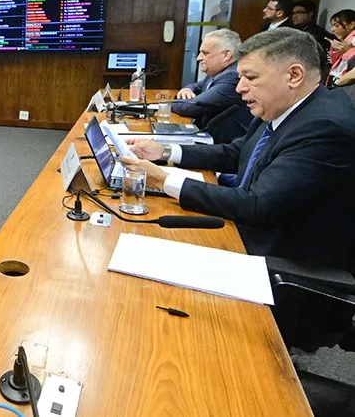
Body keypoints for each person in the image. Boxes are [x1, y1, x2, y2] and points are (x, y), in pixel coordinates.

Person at [122, 28, 355, 270]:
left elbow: (257, 205)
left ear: (294, 75)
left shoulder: (325, 127)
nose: (239, 88)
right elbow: (235, 153)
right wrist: (165, 152)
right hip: (246, 236)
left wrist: (163, 180)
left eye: (251, 78)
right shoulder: (285, 105)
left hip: (280, 265)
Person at [170, 29, 252, 143]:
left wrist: (165, 104)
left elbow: (192, 107)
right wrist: (187, 89)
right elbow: (197, 86)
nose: (199, 58)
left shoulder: (233, 76)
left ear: (226, 55)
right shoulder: (218, 72)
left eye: (205, 53)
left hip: (221, 146)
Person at [326, 9, 355, 86]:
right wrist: (335, 50)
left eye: (337, 25)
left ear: (351, 25)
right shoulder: (344, 40)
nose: (332, 29)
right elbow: (335, 62)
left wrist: (349, 51)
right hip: (336, 78)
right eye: (332, 26)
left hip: (344, 81)